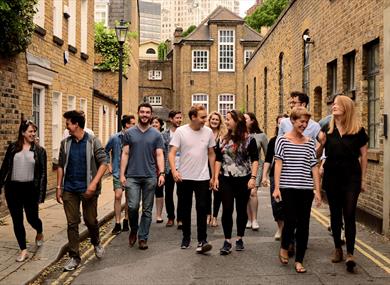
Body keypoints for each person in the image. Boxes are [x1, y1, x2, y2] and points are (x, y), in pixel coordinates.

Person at [317, 95, 368, 273]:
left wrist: (363, 179)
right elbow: (316, 155)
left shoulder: (358, 130)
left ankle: (351, 254)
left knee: (350, 213)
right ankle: (338, 248)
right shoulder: (326, 128)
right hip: (332, 175)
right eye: (333, 104)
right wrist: (321, 145)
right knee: (335, 214)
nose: (334, 106)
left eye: (337, 104)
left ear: (346, 107)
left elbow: (364, 157)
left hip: (351, 177)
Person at [56, 110, 107, 271]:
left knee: (90, 220)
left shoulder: (93, 141)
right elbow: (60, 166)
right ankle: (74, 256)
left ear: (76, 124)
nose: (66, 126)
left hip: (88, 189)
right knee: (72, 223)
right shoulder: (65, 143)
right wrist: (59, 187)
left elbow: (104, 163)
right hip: (69, 189)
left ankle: (96, 242)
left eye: (68, 123)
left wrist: (93, 184)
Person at [273, 106, 321, 274]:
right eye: (301, 121)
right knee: (290, 221)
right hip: (287, 187)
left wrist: (318, 190)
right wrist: (276, 187)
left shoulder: (309, 142)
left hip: (305, 189)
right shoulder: (282, 140)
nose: (304, 125)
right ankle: (284, 246)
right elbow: (278, 163)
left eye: (306, 122)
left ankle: (299, 260)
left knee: (304, 225)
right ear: (293, 121)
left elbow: (314, 167)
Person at [168, 104, 216, 253]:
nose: (205, 120)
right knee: (185, 208)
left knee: (202, 208)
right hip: (184, 176)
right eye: (202, 117)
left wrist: (214, 176)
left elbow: (211, 154)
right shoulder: (181, 132)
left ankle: (202, 240)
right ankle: (186, 237)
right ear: (193, 117)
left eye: (205, 117)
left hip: (202, 176)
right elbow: (172, 153)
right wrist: (174, 171)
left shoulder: (208, 132)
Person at [0, 119, 47, 262]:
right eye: (30, 131)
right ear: (23, 133)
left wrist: (41, 195)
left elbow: (43, 174)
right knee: (17, 221)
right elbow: (4, 169)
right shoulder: (13, 148)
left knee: (32, 218)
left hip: (30, 190)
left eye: (34, 131)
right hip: (13, 189)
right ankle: (23, 250)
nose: (33, 134)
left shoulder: (40, 151)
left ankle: (39, 231)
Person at [120, 103, 165, 250]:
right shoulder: (129, 133)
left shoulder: (156, 134)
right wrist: (121, 174)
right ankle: (134, 228)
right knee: (132, 207)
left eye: (147, 112)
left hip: (150, 176)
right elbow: (125, 154)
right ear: (138, 113)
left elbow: (159, 154)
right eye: (142, 112)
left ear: (151, 114)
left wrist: (162, 173)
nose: (145, 114)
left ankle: (143, 237)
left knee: (147, 209)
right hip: (132, 176)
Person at [214, 110, 259, 255]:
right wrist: (215, 178)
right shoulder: (222, 139)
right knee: (227, 209)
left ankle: (239, 238)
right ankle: (227, 241)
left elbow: (255, 160)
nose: (226, 122)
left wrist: (253, 178)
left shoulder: (249, 139)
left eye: (228, 119)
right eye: (226, 119)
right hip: (225, 179)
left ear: (237, 121)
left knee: (241, 210)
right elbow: (218, 159)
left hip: (243, 179)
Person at [105, 114, 136, 235]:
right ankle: (117, 223)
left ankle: (126, 220)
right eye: (133, 124)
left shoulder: (135, 138)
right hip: (118, 172)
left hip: (132, 173)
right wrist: (109, 165)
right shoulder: (115, 138)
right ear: (126, 125)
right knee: (118, 196)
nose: (135, 126)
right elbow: (105, 151)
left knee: (129, 198)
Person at [262, 114, 289, 240]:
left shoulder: (294, 139)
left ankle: (289, 229)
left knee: (288, 204)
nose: (281, 124)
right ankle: (280, 228)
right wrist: (264, 176)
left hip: (290, 175)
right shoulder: (274, 141)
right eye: (279, 122)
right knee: (276, 203)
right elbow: (268, 159)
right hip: (275, 175)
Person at [244, 112, 268, 230]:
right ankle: (248, 219)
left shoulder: (261, 136)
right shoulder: (240, 134)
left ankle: (254, 219)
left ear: (252, 121)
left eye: (246, 118)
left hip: (257, 166)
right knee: (246, 194)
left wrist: (266, 173)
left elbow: (268, 154)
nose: (243, 120)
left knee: (253, 192)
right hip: (243, 167)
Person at [205, 111, 227, 227]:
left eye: (216, 120)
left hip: (220, 168)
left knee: (217, 192)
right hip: (206, 167)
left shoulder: (223, 135)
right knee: (206, 192)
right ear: (209, 120)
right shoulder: (205, 133)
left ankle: (214, 217)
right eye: (212, 119)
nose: (214, 121)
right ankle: (208, 214)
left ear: (219, 122)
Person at [161, 110, 183, 228]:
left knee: (182, 194)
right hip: (169, 168)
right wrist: (162, 171)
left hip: (182, 168)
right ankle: (170, 217)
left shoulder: (185, 133)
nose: (179, 120)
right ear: (170, 119)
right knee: (168, 194)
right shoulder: (164, 135)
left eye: (180, 118)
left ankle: (180, 218)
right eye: (177, 118)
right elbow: (163, 153)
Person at [151, 116, 165, 223]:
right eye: (153, 122)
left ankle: (159, 215)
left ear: (160, 125)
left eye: (157, 122)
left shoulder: (163, 137)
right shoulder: (147, 135)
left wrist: (163, 171)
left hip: (159, 167)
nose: (155, 124)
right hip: (149, 167)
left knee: (159, 192)